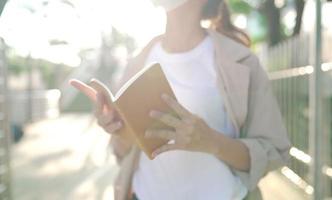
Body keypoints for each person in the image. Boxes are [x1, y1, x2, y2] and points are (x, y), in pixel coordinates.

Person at [70, 0, 291, 199]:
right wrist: (118, 128)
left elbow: (273, 151)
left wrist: (213, 142)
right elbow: (122, 152)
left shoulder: (241, 62)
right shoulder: (137, 62)